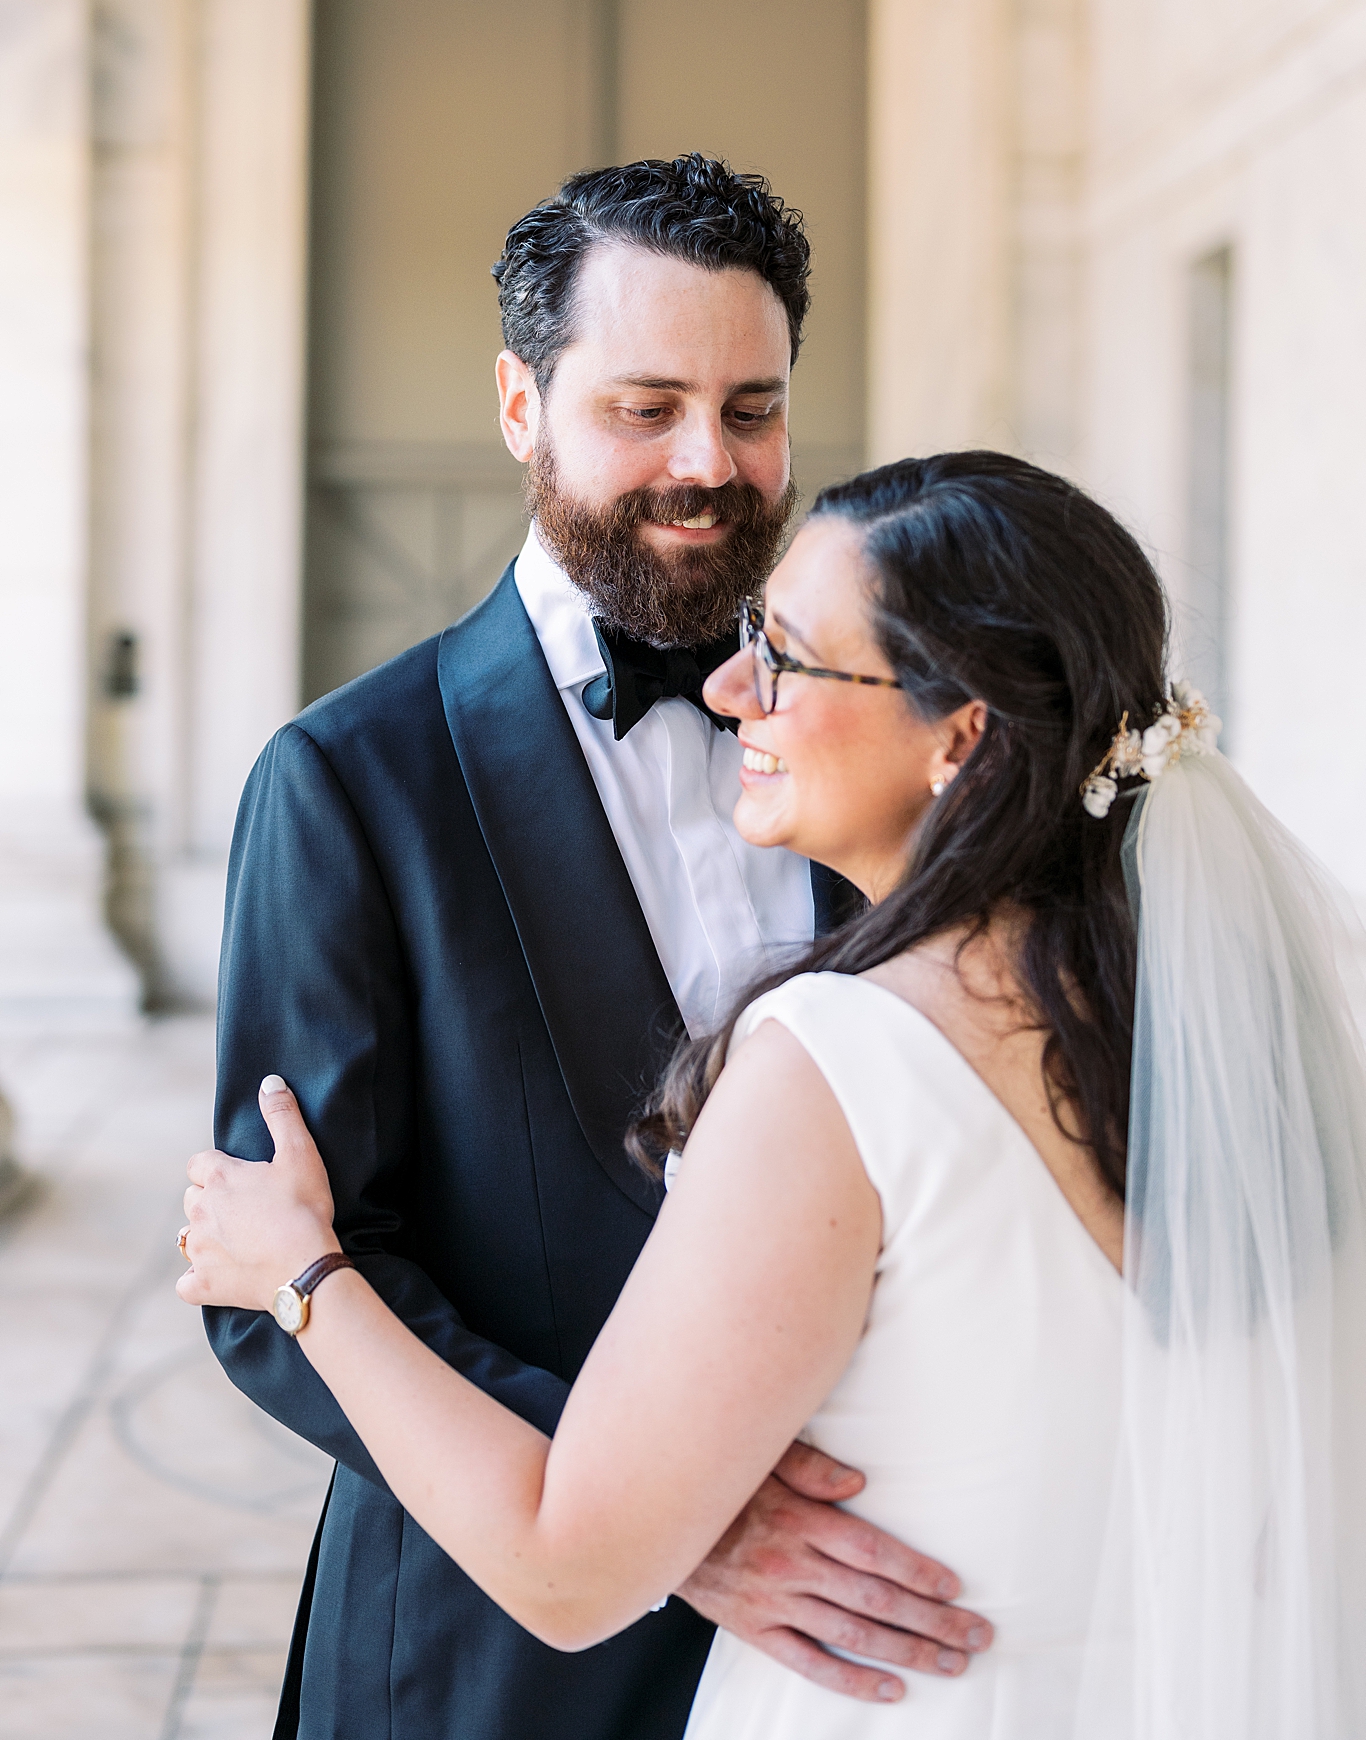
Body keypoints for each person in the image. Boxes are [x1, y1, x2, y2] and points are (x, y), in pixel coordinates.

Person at [185, 450, 1366, 1738]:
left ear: (959, 736)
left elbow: (568, 1569)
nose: (735, 685)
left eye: (791, 658)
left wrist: (305, 1279)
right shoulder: (1230, 1038)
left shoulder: (838, 1061)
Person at [204, 155, 989, 1740]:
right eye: (645, 407)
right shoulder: (348, 783)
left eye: (751, 409)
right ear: (520, 406)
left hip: (863, 1634)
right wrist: (660, 1512)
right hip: (491, 1652)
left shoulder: (893, 739)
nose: (709, 461)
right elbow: (281, 1275)